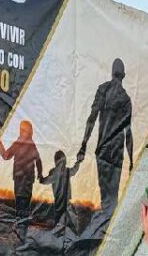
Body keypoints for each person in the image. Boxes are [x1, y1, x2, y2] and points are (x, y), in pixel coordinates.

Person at [78, 58, 134, 214]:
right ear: (123, 75)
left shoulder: (103, 89)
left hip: (103, 148)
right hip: (117, 151)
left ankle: (105, 229)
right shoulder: (126, 99)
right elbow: (128, 133)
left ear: (112, 72)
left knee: (105, 197)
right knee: (113, 197)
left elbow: (92, 118)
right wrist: (131, 160)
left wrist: (83, 145)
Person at [0, 120, 43, 224]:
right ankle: (22, 220)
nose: (28, 133)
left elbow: (38, 159)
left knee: (23, 199)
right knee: (22, 199)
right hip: (23, 177)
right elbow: (6, 156)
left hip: (25, 177)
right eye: (24, 130)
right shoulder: (23, 144)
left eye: (28, 131)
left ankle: (22, 219)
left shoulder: (27, 144)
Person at [39, 150, 82, 231]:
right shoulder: (67, 171)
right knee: (69, 214)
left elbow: (45, 181)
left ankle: (59, 231)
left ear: (55, 160)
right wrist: (78, 162)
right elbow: (75, 170)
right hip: (67, 198)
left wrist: (41, 178)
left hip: (59, 198)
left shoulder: (54, 172)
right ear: (64, 160)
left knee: (59, 215)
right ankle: (70, 230)